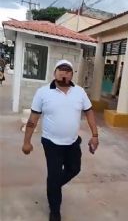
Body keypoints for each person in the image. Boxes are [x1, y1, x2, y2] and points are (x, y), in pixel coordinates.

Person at [22, 60, 99, 221]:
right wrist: (26, 142)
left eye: (68, 70)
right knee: (55, 174)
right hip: (51, 143)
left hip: (72, 142)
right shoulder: (43, 92)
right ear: (54, 72)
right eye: (61, 70)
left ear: (72, 74)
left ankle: (53, 186)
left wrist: (95, 135)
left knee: (74, 169)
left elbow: (89, 112)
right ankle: (55, 210)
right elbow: (33, 118)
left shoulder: (79, 92)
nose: (64, 73)